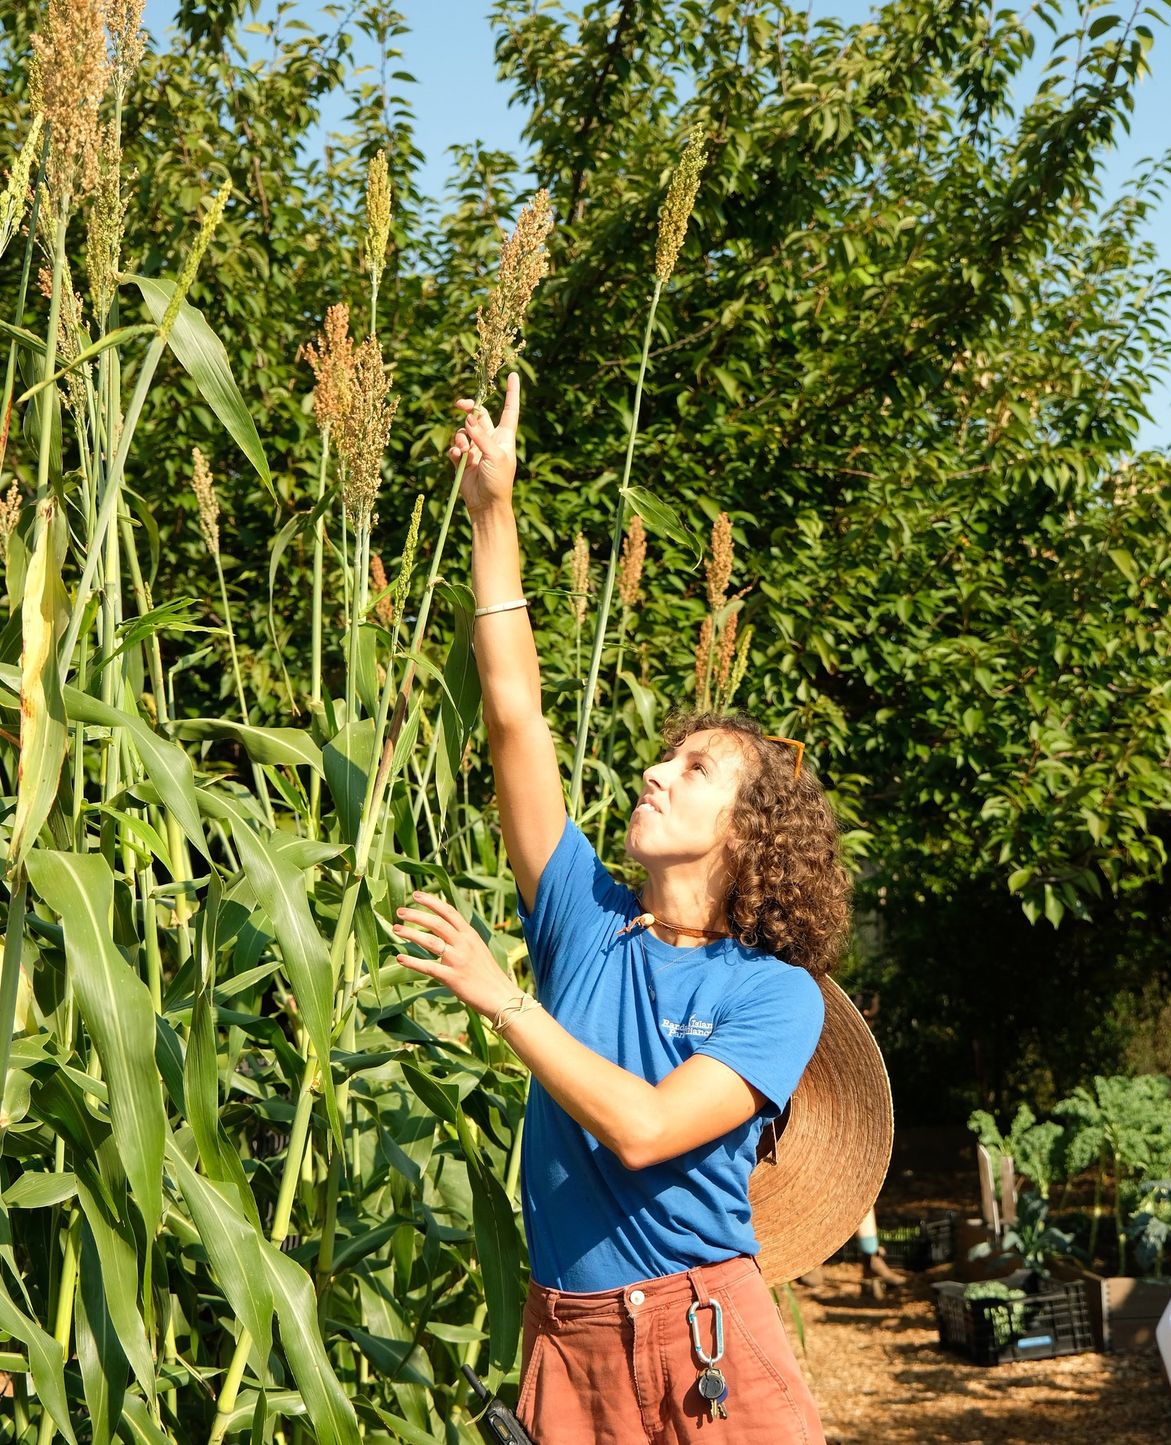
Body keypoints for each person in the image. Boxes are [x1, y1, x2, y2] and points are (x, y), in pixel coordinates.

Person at [392, 373, 851, 1444]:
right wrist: (492, 511)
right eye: (663, 754)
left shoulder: (774, 996)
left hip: (706, 1344)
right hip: (565, 1344)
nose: (655, 769)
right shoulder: (581, 921)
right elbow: (514, 708)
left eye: (695, 769)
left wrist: (503, 999)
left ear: (749, 833)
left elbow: (646, 1129)